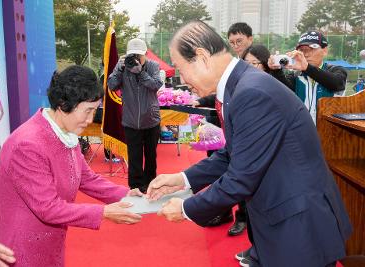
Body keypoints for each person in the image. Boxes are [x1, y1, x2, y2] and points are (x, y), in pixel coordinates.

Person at [147, 21, 352, 267]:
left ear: (201, 57)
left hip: (298, 225)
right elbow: (233, 153)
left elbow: (240, 177)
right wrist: (183, 179)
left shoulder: (251, 92)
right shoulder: (241, 85)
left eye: (179, 67)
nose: (181, 78)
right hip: (282, 217)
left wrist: (186, 208)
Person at [0, 65, 142, 267]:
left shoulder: (65, 133)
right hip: (19, 249)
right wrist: (103, 213)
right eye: (87, 111)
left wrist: (127, 195)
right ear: (63, 104)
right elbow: (48, 207)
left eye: (94, 111)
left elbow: (86, 178)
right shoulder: (27, 145)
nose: (90, 120)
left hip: (49, 241)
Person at [108, 38, 163, 193]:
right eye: (133, 55)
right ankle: (135, 186)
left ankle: (150, 184)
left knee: (151, 156)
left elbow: (156, 85)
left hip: (151, 120)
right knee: (134, 156)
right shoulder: (123, 67)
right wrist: (118, 69)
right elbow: (111, 86)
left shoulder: (153, 66)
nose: (136, 58)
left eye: (139, 55)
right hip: (130, 120)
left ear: (145, 53)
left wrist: (141, 73)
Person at [269, 30, 348, 124]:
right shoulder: (297, 74)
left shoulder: (336, 70)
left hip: (330, 131)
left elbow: (336, 84)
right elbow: (284, 89)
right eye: (302, 50)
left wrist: (307, 67)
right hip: (303, 130)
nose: (306, 54)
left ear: (325, 50)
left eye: (312, 48)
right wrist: (276, 70)